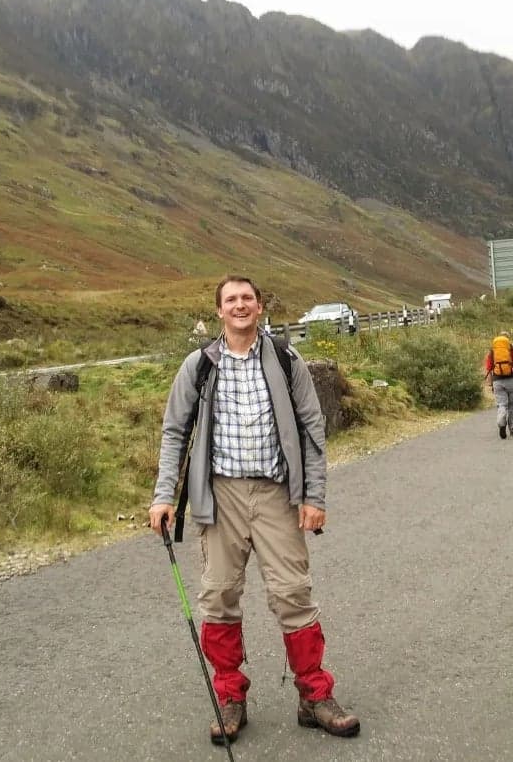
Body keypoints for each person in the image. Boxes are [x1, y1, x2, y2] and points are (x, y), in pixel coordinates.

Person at [149, 275, 360, 746]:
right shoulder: (199, 365)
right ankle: (230, 698)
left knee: (293, 594)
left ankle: (314, 696)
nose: (240, 305)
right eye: (231, 300)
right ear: (219, 311)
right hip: (218, 496)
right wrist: (164, 495)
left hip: (276, 495)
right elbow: (174, 432)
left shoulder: (286, 360)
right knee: (219, 596)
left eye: (247, 298)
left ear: (259, 307)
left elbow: (312, 428)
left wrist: (314, 497)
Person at [483, 331, 513, 439]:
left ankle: (501, 421)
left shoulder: (492, 351)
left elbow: (488, 369)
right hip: (511, 380)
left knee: (502, 404)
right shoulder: (512, 350)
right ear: (508, 339)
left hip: (497, 382)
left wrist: (489, 383)